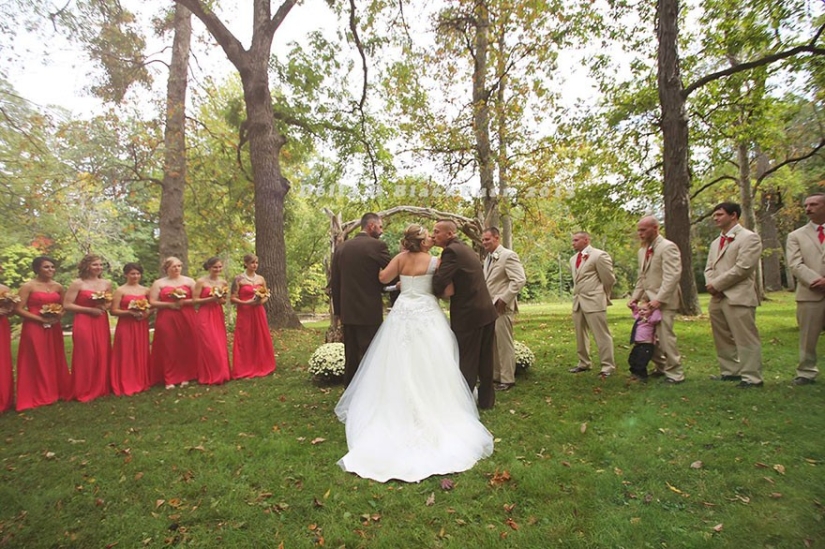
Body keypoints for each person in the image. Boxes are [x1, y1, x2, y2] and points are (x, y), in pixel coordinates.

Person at [335, 224, 494, 482]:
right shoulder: (435, 261)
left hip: (403, 313)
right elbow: (449, 290)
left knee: (397, 361)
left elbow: (382, 279)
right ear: (423, 242)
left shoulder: (399, 259)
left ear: (405, 242)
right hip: (427, 314)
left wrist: (403, 281)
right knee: (435, 361)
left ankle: (396, 406)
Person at [432, 219, 499, 409]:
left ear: (450, 234)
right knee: (485, 360)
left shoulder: (451, 252)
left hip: (470, 314)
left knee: (467, 360)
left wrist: (431, 275)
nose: (433, 235)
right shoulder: (465, 248)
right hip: (486, 311)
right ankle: (487, 401)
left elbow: (439, 282)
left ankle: (464, 404)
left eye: (437, 232)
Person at [704, 202, 763, 388]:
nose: (716, 218)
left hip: (738, 295)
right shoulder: (715, 242)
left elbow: (743, 268)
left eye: (720, 214)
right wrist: (710, 283)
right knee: (721, 336)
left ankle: (752, 377)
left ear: (734, 215)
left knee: (745, 337)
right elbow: (709, 267)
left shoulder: (749, 238)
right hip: (717, 297)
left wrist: (718, 285)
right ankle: (730, 371)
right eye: (714, 215)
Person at [330, 212, 391, 386]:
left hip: (348, 311)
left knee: (351, 354)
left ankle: (350, 390)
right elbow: (392, 274)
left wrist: (338, 312)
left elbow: (335, 283)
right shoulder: (378, 246)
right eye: (380, 226)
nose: (381, 230)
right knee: (372, 352)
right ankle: (371, 390)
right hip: (369, 310)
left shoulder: (341, 248)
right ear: (371, 226)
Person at [628, 216, 685, 384]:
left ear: (655, 228)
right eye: (638, 230)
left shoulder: (668, 247)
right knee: (647, 338)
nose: (640, 233)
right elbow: (642, 277)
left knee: (665, 337)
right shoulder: (642, 251)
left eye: (643, 230)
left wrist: (659, 300)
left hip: (664, 301)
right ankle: (661, 367)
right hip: (648, 302)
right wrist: (635, 298)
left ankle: (675, 374)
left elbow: (672, 276)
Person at [15, 256, 73, 411]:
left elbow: (64, 305)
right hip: (34, 325)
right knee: (37, 357)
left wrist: (58, 315)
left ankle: (57, 390)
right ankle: (37, 392)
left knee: (54, 356)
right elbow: (18, 309)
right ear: (37, 269)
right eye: (46, 267)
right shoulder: (28, 286)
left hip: (54, 325)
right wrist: (39, 319)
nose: (50, 270)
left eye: (52, 267)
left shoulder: (58, 286)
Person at [786, 193, 825, 386]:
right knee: (808, 336)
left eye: (814, 204)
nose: (808, 208)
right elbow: (794, 264)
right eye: (806, 205)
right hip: (810, 293)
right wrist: (817, 280)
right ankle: (806, 372)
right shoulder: (796, 236)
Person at [481, 227, 526, 391]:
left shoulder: (508, 255)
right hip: (489, 307)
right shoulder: (488, 258)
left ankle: (508, 379)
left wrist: (504, 299)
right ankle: (496, 375)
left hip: (501, 307)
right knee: (492, 342)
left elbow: (519, 280)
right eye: (483, 239)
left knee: (504, 343)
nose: (484, 242)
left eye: (487, 239)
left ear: (497, 238)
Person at [63, 254, 112, 402]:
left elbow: (110, 302)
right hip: (84, 319)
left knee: (102, 352)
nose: (99, 267)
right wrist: (89, 310)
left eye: (101, 265)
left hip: (101, 320)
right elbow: (67, 304)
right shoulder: (77, 283)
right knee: (86, 353)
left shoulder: (106, 283)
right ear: (86, 266)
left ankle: (101, 387)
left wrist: (104, 305)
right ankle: (84, 388)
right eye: (95, 265)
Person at [568, 231, 617, 378]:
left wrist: (602, 295)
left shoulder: (599, 255)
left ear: (586, 240)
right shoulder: (572, 259)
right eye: (573, 240)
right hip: (578, 301)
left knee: (601, 334)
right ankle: (584, 363)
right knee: (580, 335)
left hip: (594, 300)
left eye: (576, 240)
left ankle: (607, 366)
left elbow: (609, 279)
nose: (573, 243)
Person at [149, 256, 199, 389]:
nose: (177, 269)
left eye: (179, 266)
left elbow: (196, 299)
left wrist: (183, 302)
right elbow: (152, 302)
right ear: (167, 268)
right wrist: (169, 305)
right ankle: (169, 377)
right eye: (174, 266)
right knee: (168, 346)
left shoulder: (189, 281)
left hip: (186, 316)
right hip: (167, 316)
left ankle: (186, 375)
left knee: (186, 344)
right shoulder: (159, 283)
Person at [230, 253, 276, 379]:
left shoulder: (261, 279)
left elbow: (266, 295)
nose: (254, 265)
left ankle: (262, 364)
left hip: (258, 311)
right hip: (244, 312)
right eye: (252, 263)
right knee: (245, 337)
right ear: (245, 264)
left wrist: (261, 301)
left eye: (256, 262)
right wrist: (245, 303)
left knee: (260, 336)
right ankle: (244, 367)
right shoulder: (239, 279)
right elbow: (232, 298)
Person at [110, 263, 151, 396]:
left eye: (138, 273)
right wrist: (130, 313)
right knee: (126, 351)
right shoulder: (120, 291)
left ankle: (140, 379)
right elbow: (113, 311)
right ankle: (125, 381)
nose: (135, 276)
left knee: (140, 351)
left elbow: (151, 307)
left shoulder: (146, 290)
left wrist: (146, 313)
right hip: (126, 325)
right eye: (132, 273)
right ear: (126, 274)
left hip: (141, 325)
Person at [193, 257, 231, 385]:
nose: (218, 269)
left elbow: (224, 301)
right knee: (209, 343)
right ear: (209, 267)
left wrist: (219, 298)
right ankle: (208, 374)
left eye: (220, 267)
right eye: (215, 267)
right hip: (204, 314)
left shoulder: (223, 282)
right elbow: (195, 301)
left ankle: (222, 373)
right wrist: (209, 299)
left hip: (217, 314)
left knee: (219, 344)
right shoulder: (201, 282)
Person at [628, 299, 662, 382]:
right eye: (640, 310)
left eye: (645, 310)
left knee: (641, 361)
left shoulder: (650, 320)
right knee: (632, 360)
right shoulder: (639, 318)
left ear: (651, 311)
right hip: (637, 344)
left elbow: (657, 317)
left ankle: (642, 377)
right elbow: (635, 312)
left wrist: (656, 308)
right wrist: (633, 306)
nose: (641, 311)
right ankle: (635, 374)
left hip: (646, 345)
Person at [0, 271, 15, 413]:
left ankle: (4, 397)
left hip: (1, 326)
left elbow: (11, 312)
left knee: (2, 359)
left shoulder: (5, 289)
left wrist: (9, 309)